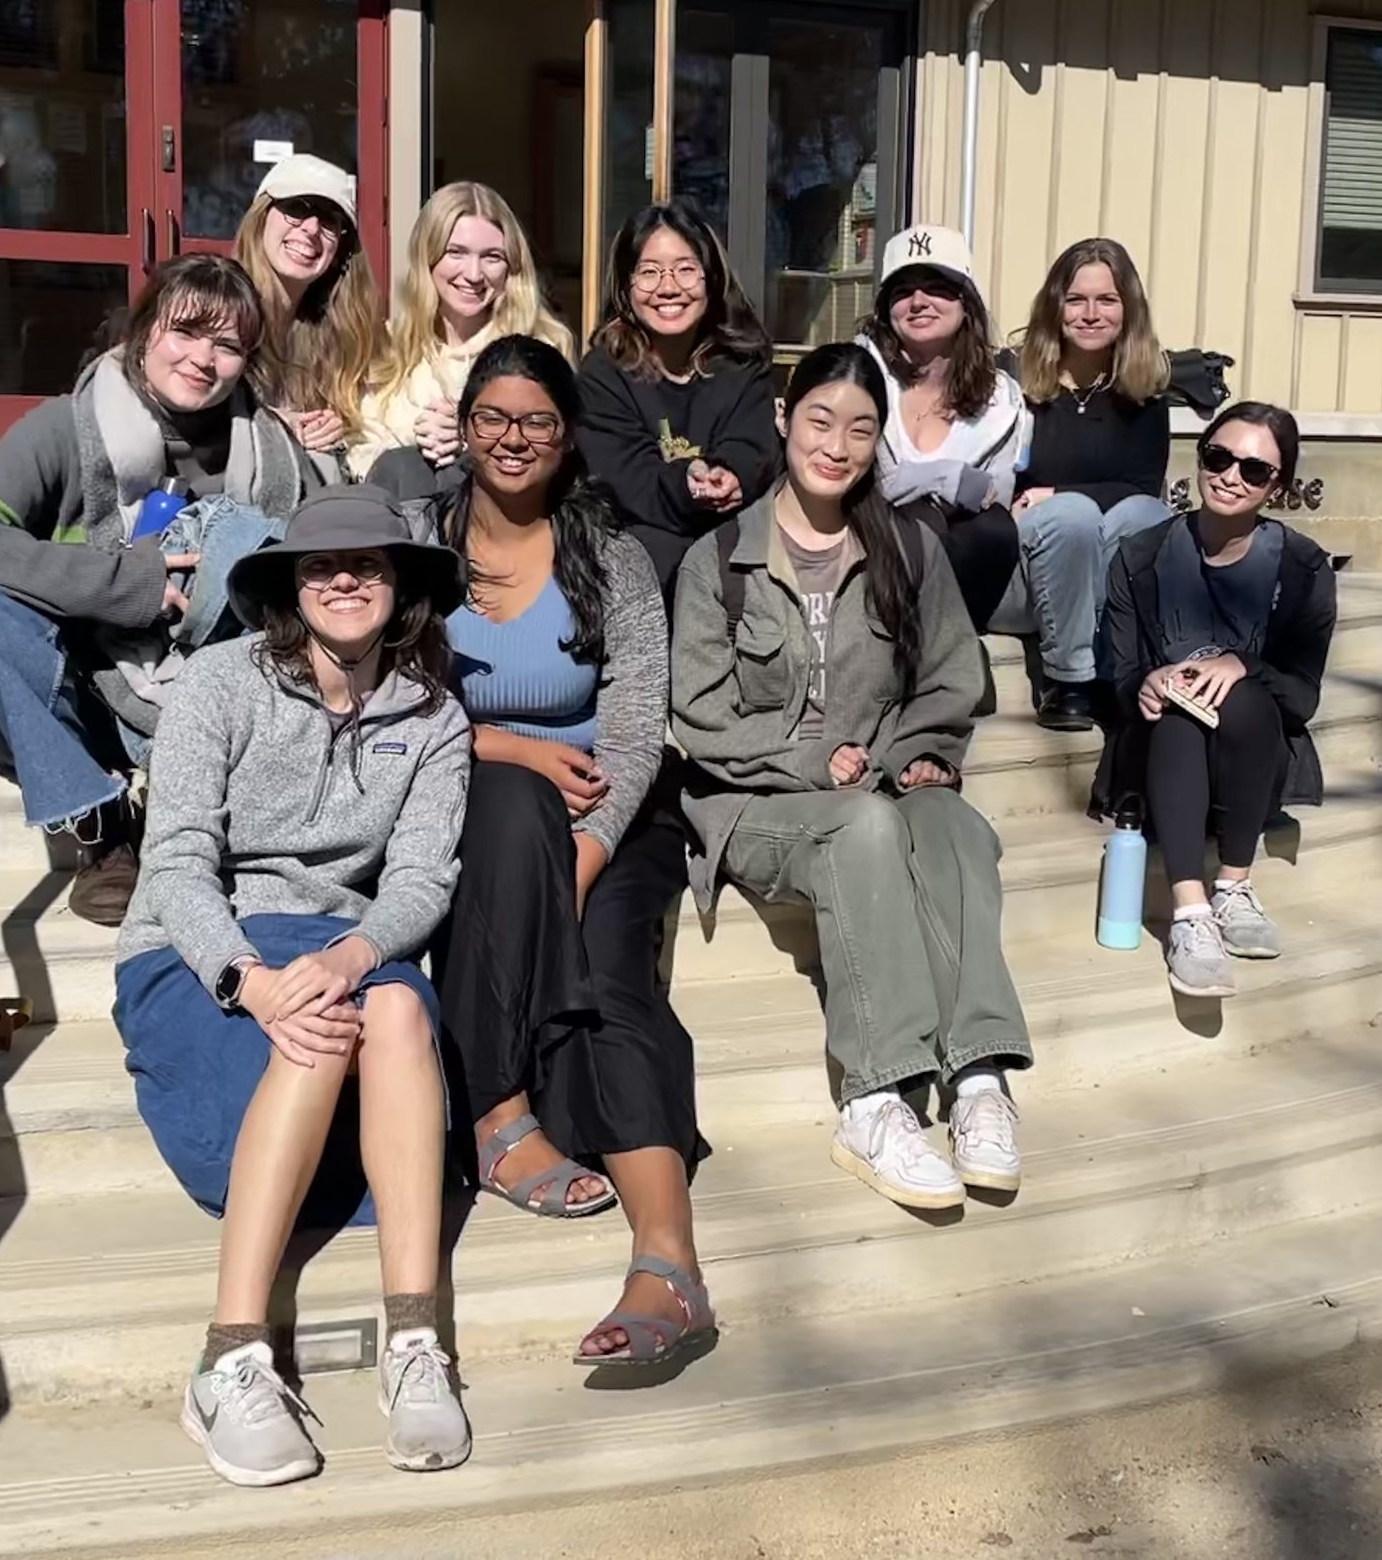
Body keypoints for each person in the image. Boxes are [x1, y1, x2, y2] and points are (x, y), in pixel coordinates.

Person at [112, 483, 473, 1487]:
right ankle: (228, 1353)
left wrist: (358, 954)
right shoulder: (220, 682)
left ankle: (414, 1339)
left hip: (342, 942)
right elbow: (177, 858)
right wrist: (250, 977)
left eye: (368, 562)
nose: (346, 578)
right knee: (315, 1026)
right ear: (291, 584)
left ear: (399, 583)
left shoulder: (432, 708)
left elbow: (421, 875)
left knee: (396, 1002)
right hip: (202, 945)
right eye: (322, 564)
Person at [672, 343, 1032, 1214]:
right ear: (784, 421)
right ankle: (875, 1098)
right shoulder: (719, 561)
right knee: (863, 830)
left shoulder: (909, 547)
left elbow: (955, 674)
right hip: (753, 804)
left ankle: (980, 1077)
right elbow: (698, 712)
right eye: (821, 421)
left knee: (955, 827)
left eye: (862, 430)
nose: (836, 446)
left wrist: (914, 746)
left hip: (874, 781)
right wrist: (805, 760)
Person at [421, 335, 714, 1370]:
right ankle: (499, 1109)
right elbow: (386, 701)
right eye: (494, 418)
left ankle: (667, 1262)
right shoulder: (420, 542)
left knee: (608, 978)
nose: (513, 438)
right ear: (463, 429)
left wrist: (586, 847)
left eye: (536, 421)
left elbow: (636, 723)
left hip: (612, 817)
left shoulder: (611, 554)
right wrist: (510, 745)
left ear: (567, 435)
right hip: (462, 804)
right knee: (500, 799)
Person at [0, 254, 316, 926]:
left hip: (216, 694)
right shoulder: (64, 428)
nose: (202, 359)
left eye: (227, 345)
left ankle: (199, 806)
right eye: (185, 332)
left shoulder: (275, 452)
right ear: (143, 330)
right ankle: (100, 825)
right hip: (88, 685)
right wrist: (123, 583)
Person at [1096, 403, 1337, 1000]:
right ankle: (1191, 912)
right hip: (1160, 756)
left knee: (1247, 697)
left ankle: (1233, 883)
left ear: (1277, 485)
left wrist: (1243, 664)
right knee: (1178, 706)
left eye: (1255, 471)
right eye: (1218, 457)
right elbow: (1120, 673)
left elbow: (1302, 698)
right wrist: (1145, 684)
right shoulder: (1141, 556)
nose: (1231, 476)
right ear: (1200, 457)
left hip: (1250, 757)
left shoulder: (1303, 568)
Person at [1004, 237, 1176, 733]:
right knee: (1072, 516)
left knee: (1146, 516)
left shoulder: (1146, 392)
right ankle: (1069, 679)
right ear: (1056, 307)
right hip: (1030, 565)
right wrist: (1059, 504)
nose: (1090, 314)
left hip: (1098, 551)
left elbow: (1142, 487)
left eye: (1107, 300)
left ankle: (1116, 667)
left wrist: (1057, 493)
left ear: (1128, 310)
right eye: (1076, 299)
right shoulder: (1015, 384)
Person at [578, 200, 779, 593]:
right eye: (649, 273)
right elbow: (626, 480)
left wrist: (731, 472)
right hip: (639, 559)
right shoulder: (602, 373)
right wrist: (688, 482)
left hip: (733, 549)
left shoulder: (743, 363)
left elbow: (753, 443)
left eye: (686, 270)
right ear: (625, 286)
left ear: (712, 277)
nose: (668, 288)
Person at [856, 224, 1030, 635]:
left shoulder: (1002, 400)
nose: (918, 302)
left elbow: (993, 497)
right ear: (886, 310)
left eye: (937, 287)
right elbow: (850, 480)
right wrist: (941, 478)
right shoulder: (858, 373)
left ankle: (936, 655)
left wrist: (919, 487)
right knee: (919, 521)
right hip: (869, 549)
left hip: (960, 575)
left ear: (966, 302)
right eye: (902, 291)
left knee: (991, 531)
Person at [354, 181, 574, 485]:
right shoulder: (388, 348)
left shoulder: (541, 348)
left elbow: (554, 453)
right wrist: (414, 449)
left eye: (492, 257)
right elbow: (360, 448)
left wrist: (470, 437)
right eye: (456, 252)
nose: (473, 274)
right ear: (427, 258)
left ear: (511, 266)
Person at [233, 154, 386, 480]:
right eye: (297, 208)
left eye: (330, 220)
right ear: (261, 215)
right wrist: (271, 428)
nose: (312, 228)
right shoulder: (220, 308)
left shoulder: (343, 336)